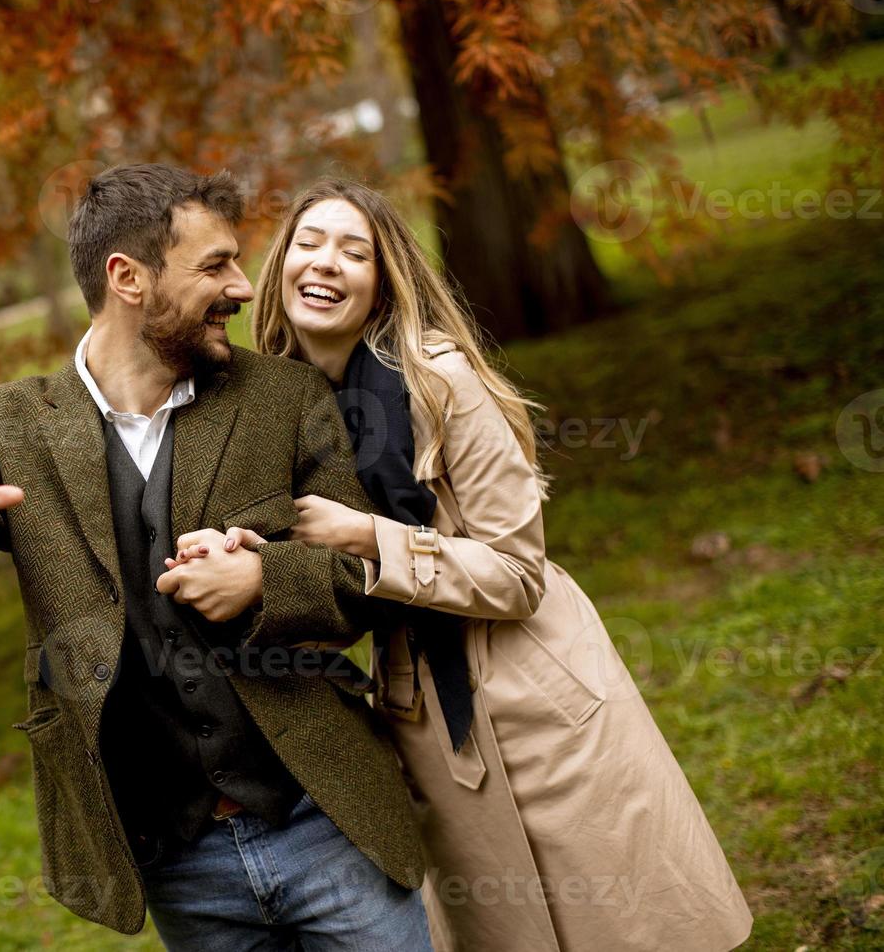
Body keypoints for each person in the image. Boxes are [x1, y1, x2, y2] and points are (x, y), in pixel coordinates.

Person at [0, 164, 435, 950]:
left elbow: (367, 577)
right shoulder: (5, 427)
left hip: (327, 820)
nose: (245, 285)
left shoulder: (285, 398)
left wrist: (267, 579)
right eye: (215, 265)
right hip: (177, 861)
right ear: (127, 278)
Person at [170, 178, 755, 951]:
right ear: (281, 266)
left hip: (534, 695)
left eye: (355, 251)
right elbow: (312, 568)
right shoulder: (278, 407)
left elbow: (518, 572)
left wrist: (368, 537)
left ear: (381, 285)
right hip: (431, 718)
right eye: (309, 243)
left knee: (617, 921)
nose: (327, 263)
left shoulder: (440, 382)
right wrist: (251, 558)